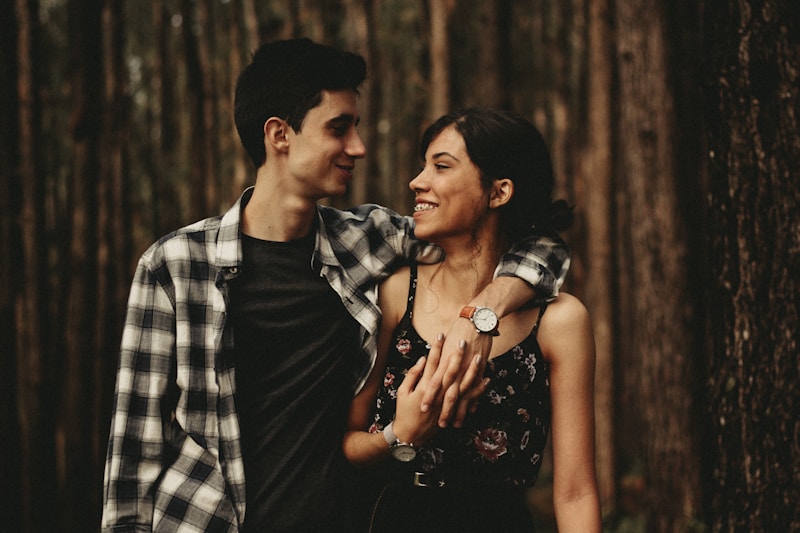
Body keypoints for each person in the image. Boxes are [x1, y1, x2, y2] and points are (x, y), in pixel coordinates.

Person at [101, 39, 569, 532]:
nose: (358, 147)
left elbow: (536, 245)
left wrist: (483, 316)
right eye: (338, 128)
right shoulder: (175, 266)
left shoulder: (365, 244)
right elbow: (134, 454)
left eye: (357, 128)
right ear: (280, 134)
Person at [343, 108, 601, 532]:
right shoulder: (395, 293)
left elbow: (575, 491)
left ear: (499, 192)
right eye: (423, 165)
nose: (417, 181)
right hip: (389, 517)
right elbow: (348, 443)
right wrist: (399, 434)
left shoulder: (560, 321)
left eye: (441, 166)